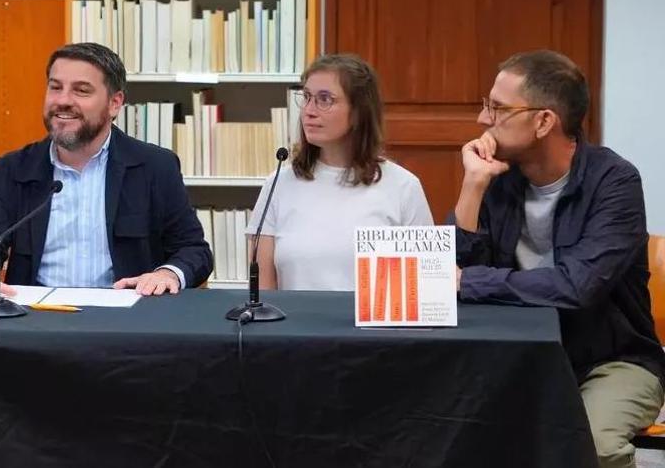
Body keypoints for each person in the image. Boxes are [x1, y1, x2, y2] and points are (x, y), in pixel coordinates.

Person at [454, 50, 664, 468]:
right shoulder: (498, 177)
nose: (482, 120)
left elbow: (577, 286)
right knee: (446, 432)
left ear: (544, 121)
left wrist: (471, 282)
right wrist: (472, 187)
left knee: (592, 447)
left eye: (497, 108)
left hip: (612, 360)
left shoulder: (615, 182)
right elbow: (449, 275)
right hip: (519, 357)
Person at [0, 42, 212, 302]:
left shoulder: (155, 167)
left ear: (114, 103)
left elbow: (193, 250)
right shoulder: (14, 168)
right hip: (36, 321)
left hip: (128, 320)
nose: (63, 101)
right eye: (55, 88)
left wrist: (168, 273)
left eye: (81, 91)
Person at [246, 54, 432, 291]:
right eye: (306, 97)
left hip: (373, 328)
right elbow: (263, 292)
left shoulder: (403, 187)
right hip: (292, 327)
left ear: (358, 112)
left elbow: (423, 286)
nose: (309, 111)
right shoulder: (278, 184)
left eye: (325, 99)